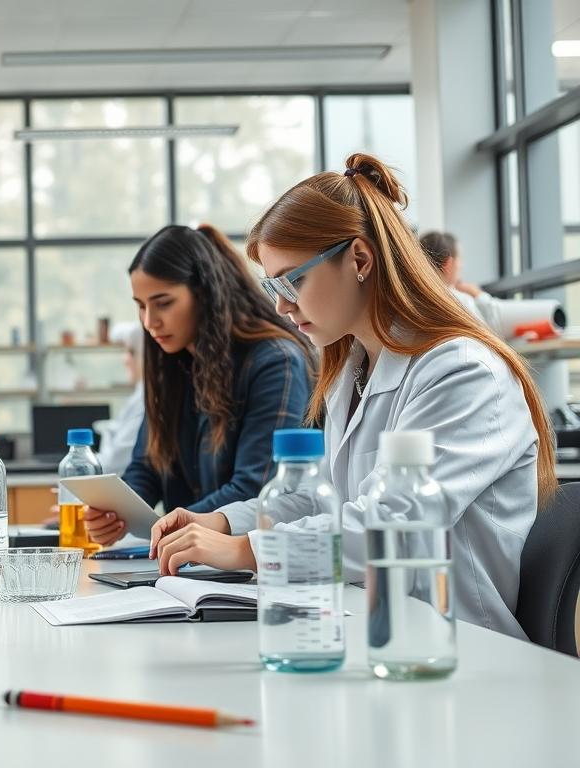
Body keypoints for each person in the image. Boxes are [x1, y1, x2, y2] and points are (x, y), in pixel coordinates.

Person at [150, 154, 555, 639]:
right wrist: (219, 522)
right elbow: (322, 501)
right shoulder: (354, 372)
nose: (281, 305)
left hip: (459, 644)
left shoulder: (464, 372)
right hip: (375, 626)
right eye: (272, 285)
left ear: (359, 259)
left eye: (293, 279)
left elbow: (395, 529)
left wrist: (246, 551)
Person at [82, 224, 314, 546]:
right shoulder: (171, 364)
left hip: (253, 565)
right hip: (192, 565)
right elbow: (146, 467)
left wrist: (172, 527)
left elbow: (254, 490)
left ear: (205, 294)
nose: (150, 322)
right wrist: (114, 517)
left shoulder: (276, 362)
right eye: (141, 305)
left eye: (163, 303)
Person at [420, 230, 503, 330]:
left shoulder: (411, 301)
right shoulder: (461, 302)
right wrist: (477, 293)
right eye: (460, 259)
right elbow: (489, 335)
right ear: (448, 263)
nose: (462, 265)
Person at [94, 321, 146, 475]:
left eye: (131, 352)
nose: (125, 360)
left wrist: (108, 431)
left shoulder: (145, 400)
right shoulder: (139, 395)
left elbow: (113, 463)